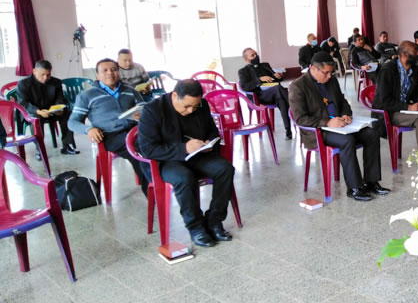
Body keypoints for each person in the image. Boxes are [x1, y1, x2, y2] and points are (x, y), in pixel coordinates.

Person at [137, 79, 235, 248]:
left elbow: (212, 131)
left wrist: (209, 143)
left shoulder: (201, 105)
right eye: (186, 106)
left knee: (225, 169)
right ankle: (196, 227)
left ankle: (214, 220)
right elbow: (148, 149)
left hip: (197, 156)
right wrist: (184, 148)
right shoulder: (152, 110)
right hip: (167, 160)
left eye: (194, 107)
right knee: (184, 177)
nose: (190, 111)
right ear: (175, 95)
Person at [289, 52, 388, 201]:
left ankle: (371, 182)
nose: (329, 76)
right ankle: (354, 188)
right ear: (313, 68)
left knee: (372, 134)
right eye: (326, 73)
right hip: (319, 131)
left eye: (331, 72)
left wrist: (346, 114)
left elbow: (343, 102)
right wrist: (327, 123)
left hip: (341, 125)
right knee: (347, 141)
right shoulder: (298, 86)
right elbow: (300, 119)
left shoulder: (331, 81)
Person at [68, 58, 149, 195]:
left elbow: (143, 108)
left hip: (134, 130)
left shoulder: (130, 91)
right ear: (98, 75)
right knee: (141, 147)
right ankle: (152, 189)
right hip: (109, 135)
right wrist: (89, 129)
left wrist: (142, 115)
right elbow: (72, 122)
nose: (110, 73)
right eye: (104, 70)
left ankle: (160, 179)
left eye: (113, 70)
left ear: (119, 72)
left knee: (155, 141)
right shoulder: (87, 96)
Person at [373, 42, 418, 150]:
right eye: (415, 51)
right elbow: (383, 101)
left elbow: (417, 93)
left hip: (403, 109)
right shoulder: (388, 70)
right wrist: (408, 107)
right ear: (404, 54)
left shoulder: (413, 69)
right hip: (388, 113)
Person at [17, 60, 80, 156]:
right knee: (37, 118)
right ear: (34, 71)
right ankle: (40, 150)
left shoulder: (56, 82)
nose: (45, 78)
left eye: (48, 74)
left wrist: (58, 109)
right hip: (33, 111)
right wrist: (38, 111)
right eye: (42, 74)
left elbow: (60, 99)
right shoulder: (24, 83)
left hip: (51, 111)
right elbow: (23, 103)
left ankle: (66, 145)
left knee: (67, 113)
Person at [237, 48, 292, 140]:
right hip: (258, 96)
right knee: (278, 89)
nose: (256, 56)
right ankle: (294, 105)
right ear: (247, 60)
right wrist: (259, 80)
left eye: (256, 54)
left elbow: (274, 79)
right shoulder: (243, 71)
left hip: (272, 93)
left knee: (281, 99)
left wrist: (278, 76)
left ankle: (288, 131)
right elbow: (245, 86)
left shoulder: (265, 65)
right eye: (252, 55)